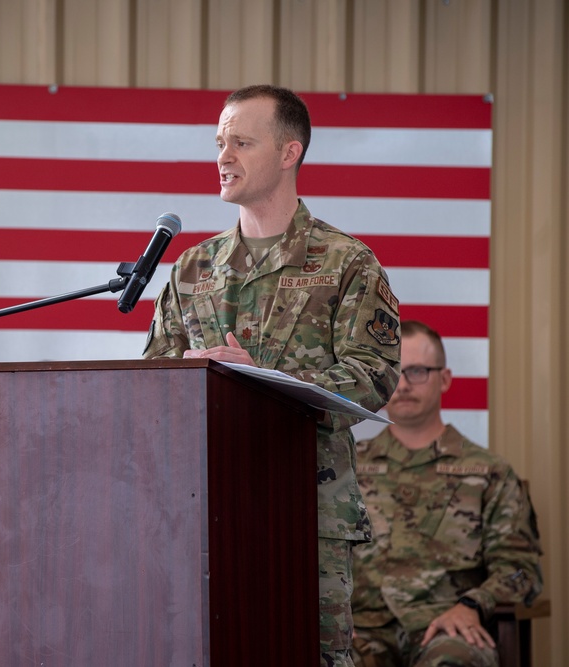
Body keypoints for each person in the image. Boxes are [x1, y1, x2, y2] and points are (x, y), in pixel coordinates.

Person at [142, 84, 402, 666]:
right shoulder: (192, 268)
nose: (223, 157)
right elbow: (151, 379)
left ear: (290, 152)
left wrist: (267, 374)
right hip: (199, 508)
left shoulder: (346, 262)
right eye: (219, 142)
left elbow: (375, 374)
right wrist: (178, 378)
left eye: (241, 142)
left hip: (306, 512)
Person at [350, 320, 543, 667]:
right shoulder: (347, 468)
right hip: (361, 631)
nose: (404, 384)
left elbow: (520, 569)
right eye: (395, 372)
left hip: (445, 627)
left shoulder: (488, 473)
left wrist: (473, 605)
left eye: (418, 371)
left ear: (445, 379)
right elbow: (315, 557)